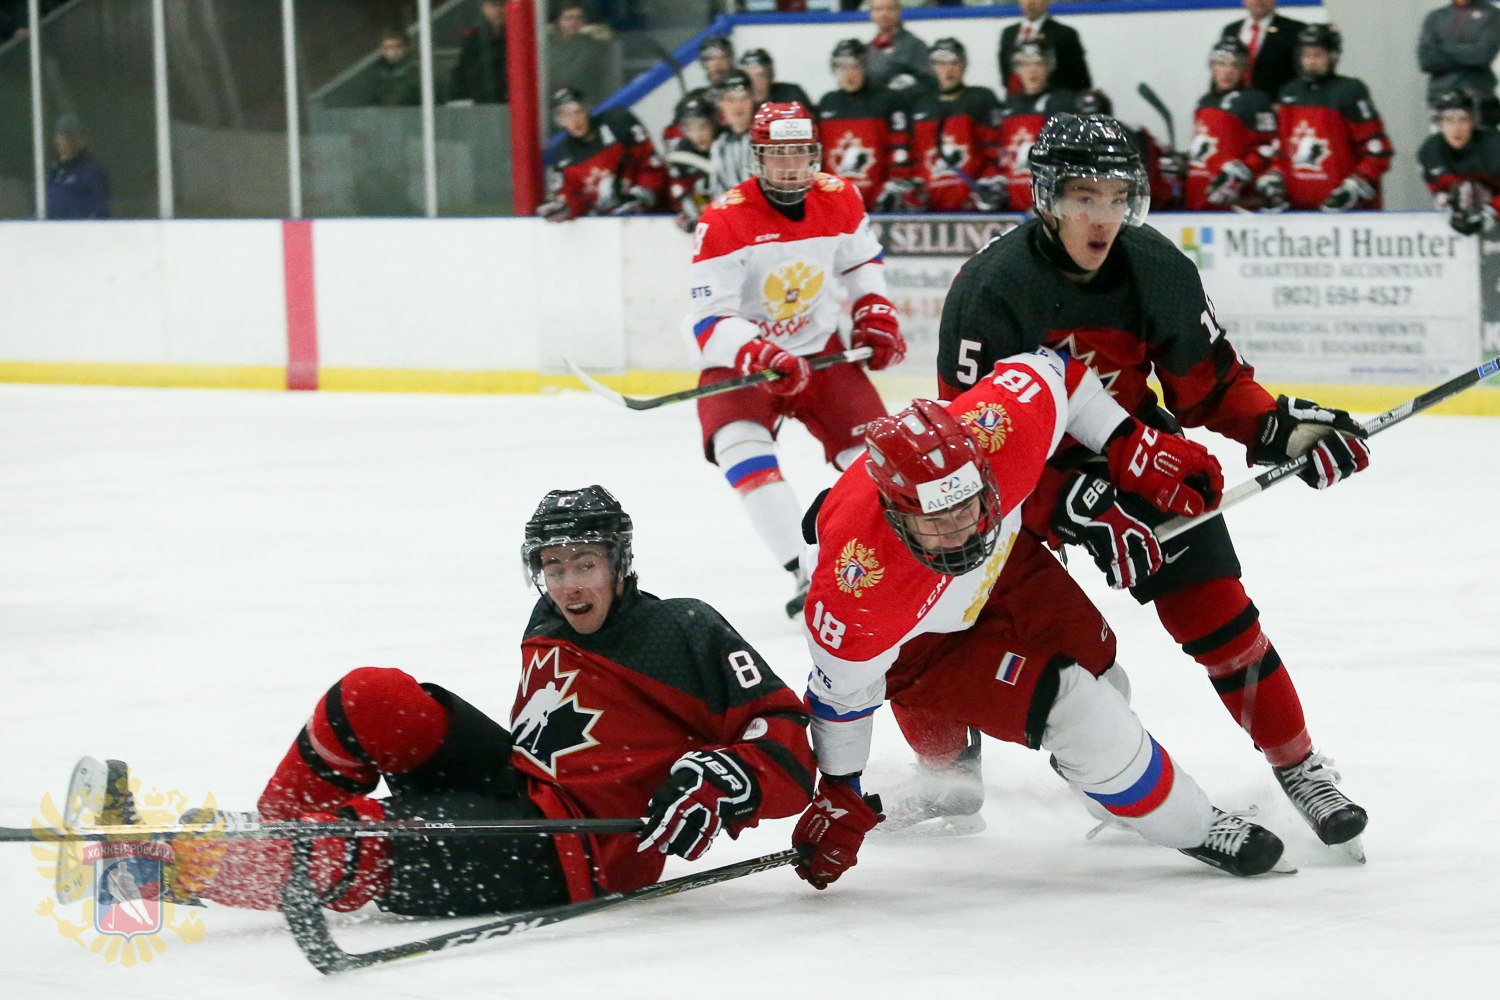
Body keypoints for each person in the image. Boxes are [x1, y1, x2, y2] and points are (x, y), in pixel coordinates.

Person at [924, 113, 1371, 860]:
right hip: (1013, 484)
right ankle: (945, 767)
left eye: (1116, 197)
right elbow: (970, 455)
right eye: (1083, 197)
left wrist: (1287, 432)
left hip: (1136, 456)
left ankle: (1299, 766)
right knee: (967, 619)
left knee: (1221, 618)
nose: (1103, 217)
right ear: (1044, 198)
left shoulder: (1157, 267)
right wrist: (1069, 505)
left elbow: (1211, 389)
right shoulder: (990, 291)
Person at [95, 486, 817, 916]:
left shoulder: (680, 630)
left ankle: (157, 868)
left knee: (364, 839)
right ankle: (274, 847)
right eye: (554, 567)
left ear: (620, 565)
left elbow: (788, 740)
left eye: (586, 565)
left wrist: (723, 778)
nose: (569, 585)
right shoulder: (548, 618)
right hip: (526, 786)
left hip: (578, 849)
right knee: (369, 697)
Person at [789, 350, 1293, 890]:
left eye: (967, 505)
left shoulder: (999, 430)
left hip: (1000, 565)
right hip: (921, 641)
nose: (960, 530)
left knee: (1106, 677)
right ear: (895, 513)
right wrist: (840, 791)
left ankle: (1106, 789)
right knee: (1079, 710)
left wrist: (1131, 444)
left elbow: (1060, 373)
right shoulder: (858, 587)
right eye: (937, 520)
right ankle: (1197, 825)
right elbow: (842, 697)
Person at [683, 101, 906, 619]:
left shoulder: (840, 197)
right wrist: (759, 350)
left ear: (816, 154)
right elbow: (708, 318)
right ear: (756, 157)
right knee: (740, 448)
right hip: (746, 359)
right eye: (777, 155)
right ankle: (804, 569)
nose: (791, 167)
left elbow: (861, 261)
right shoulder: (723, 219)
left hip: (820, 349)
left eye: (802, 153)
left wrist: (874, 311)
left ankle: (880, 562)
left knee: (880, 461)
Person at [1254, 23, 1393, 213]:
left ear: (1333, 56)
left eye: (1317, 55)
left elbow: (1378, 149)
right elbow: (1283, 151)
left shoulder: (1350, 91)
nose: (1310, 62)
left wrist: (1356, 185)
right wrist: (1275, 178)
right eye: (1306, 55)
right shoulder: (1289, 93)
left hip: (1345, 214)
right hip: (1298, 210)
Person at [904, 38, 1005, 213]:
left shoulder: (981, 98)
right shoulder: (919, 104)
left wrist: (988, 185)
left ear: (964, 65)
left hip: (973, 205)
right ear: (932, 67)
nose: (948, 69)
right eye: (941, 64)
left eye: (954, 63)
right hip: (932, 207)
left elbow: (994, 149)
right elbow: (916, 155)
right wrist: (917, 192)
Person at [537, 88, 665, 222]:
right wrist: (564, 208)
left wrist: (642, 194)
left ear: (587, 109)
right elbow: (573, 197)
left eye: (578, 111)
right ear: (559, 121)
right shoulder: (564, 153)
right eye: (565, 116)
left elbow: (650, 160)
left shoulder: (617, 122)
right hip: (610, 224)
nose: (574, 121)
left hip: (657, 215)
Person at [816, 38, 911, 212]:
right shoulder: (827, 103)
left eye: (854, 66)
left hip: (879, 203)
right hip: (837, 204)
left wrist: (894, 184)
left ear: (865, 66)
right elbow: (818, 154)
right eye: (842, 67)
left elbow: (900, 147)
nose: (849, 74)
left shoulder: (888, 100)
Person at [1185, 37, 1278, 212]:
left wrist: (1243, 170)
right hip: (1198, 194)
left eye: (1235, 65)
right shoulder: (1204, 102)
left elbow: (1269, 147)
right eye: (1221, 63)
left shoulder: (1256, 101)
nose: (1228, 71)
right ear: (1212, 66)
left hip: (1235, 200)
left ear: (1244, 69)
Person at [996, 38, 1079, 213]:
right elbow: (1003, 157)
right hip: (1014, 209)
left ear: (1049, 66)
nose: (1032, 70)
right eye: (1025, 64)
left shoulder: (1063, 102)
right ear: (1016, 69)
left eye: (1038, 63)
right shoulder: (1010, 106)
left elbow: (1069, 159)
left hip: (1052, 210)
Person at [1075, 88, 1181, 212]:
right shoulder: (1068, 146)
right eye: (1087, 120)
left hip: (1140, 211)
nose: (1094, 129)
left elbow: (1158, 171)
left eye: (1100, 120)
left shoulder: (1134, 136)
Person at [1418, 89, 1500, 235]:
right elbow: (1442, 190)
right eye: (1449, 120)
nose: (1456, 129)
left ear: (1473, 122)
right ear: (1440, 124)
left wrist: (1492, 211)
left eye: (1463, 119)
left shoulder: (1494, 146)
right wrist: (1449, 202)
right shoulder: (1430, 151)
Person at [1418, 0, 1500, 125]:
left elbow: (1482, 55)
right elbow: (1426, 60)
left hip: (1478, 102)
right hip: (1441, 101)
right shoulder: (1435, 17)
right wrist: (1466, 50)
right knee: (1442, 144)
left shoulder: (1492, 15)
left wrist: (1444, 46)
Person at [997, 0, 1092, 97]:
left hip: (1054, 102)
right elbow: (1005, 71)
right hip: (1016, 102)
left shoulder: (1064, 34)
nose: (1030, 2)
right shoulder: (1009, 33)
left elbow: (1080, 78)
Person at [1219, 0, 1307, 100]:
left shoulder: (1295, 30)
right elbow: (1220, 67)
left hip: (1276, 104)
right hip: (1234, 104)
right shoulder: (1231, 30)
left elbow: (1301, 74)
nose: (1259, 1)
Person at [666, 95, 719, 233]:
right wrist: (696, 213)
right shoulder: (681, 156)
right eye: (689, 129)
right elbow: (680, 191)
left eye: (702, 126)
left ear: (713, 123)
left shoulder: (726, 145)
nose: (697, 135)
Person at [546, 1, 611, 108]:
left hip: (579, 101)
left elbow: (573, 74)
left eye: (578, 18)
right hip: (548, 102)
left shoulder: (591, 45)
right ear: (558, 21)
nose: (574, 22)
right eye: (568, 18)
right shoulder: (546, 43)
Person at [46, 115, 111, 220]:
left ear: (81, 140)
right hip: (51, 231)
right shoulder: (52, 171)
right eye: (63, 136)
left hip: (78, 231)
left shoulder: (91, 172)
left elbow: (100, 208)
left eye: (72, 137)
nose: (66, 141)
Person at [866, 0, 935, 97]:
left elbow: (929, 82)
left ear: (899, 11)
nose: (884, 14)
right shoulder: (869, 47)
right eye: (878, 9)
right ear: (871, 14)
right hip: (875, 107)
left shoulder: (914, 45)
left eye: (890, 9)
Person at [707, 71, 757, 196]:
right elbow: (717, 191)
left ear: (752, 101)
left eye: (744, 98)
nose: (738, 105)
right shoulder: (719, 145)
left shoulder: (767, 139)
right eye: (730, 99)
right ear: (721, 105)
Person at [449, 0, 508, 104]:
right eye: (494, 5)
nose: (499, 10)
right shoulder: (474, 38)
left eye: (502, 5)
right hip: (481, 102)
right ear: (484, 8)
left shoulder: (518, 37)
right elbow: (462, 70)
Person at [737, 48, 815, 113]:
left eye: (761, 76)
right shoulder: (735, 104)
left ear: (771, 77)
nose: (754, 82)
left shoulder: (791, 95)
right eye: (749, 78)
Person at [367, 29, 421, 108]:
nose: (393, 52)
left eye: (397, 47)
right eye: (388, 48)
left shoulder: (415, 69)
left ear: (405, 48)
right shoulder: (376, 70)